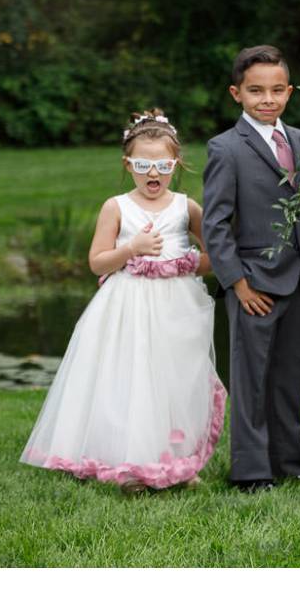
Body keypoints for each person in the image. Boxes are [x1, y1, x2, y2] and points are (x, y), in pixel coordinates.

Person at [21, 109, 223, 491]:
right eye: (144, 164)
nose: (153, 174)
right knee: (132, 378)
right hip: (127, 304)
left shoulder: (187, 207)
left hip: (176, 306)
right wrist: (132, 248)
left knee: (173, 379)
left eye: (162, 165)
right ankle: (130, 464)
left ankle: (174, 462)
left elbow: (215, 258)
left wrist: (186, 263)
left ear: (175, 163)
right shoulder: (116, 206)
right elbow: (97, 260)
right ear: (128, 164)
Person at [202, 46, 300, 493]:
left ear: (289, 92)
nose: (266, 99)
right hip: (253, 283)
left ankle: (290, 461)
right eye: (256, 91)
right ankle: (250, 469)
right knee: (251, 380)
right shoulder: (226, 149)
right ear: (237, 94)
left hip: (297, 281)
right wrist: (237, 282)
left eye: (275, 90)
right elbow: (215, 225)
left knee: (290, 378)